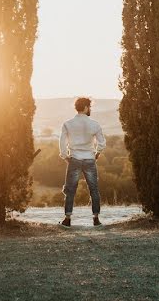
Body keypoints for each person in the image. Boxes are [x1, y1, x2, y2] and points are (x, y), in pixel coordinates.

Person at [58, 96, 106, 228]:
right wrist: (97, 153)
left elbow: (62, 142)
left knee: (70, 190)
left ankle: (67, 219)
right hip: (90, 159)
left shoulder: (68, 124)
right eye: (89, 107)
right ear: (85, 107)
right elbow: (102, 143)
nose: (90, 109)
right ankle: (96, 219)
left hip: (74, 159)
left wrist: (64, 156)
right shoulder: (94, 124)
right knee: (94, 190)